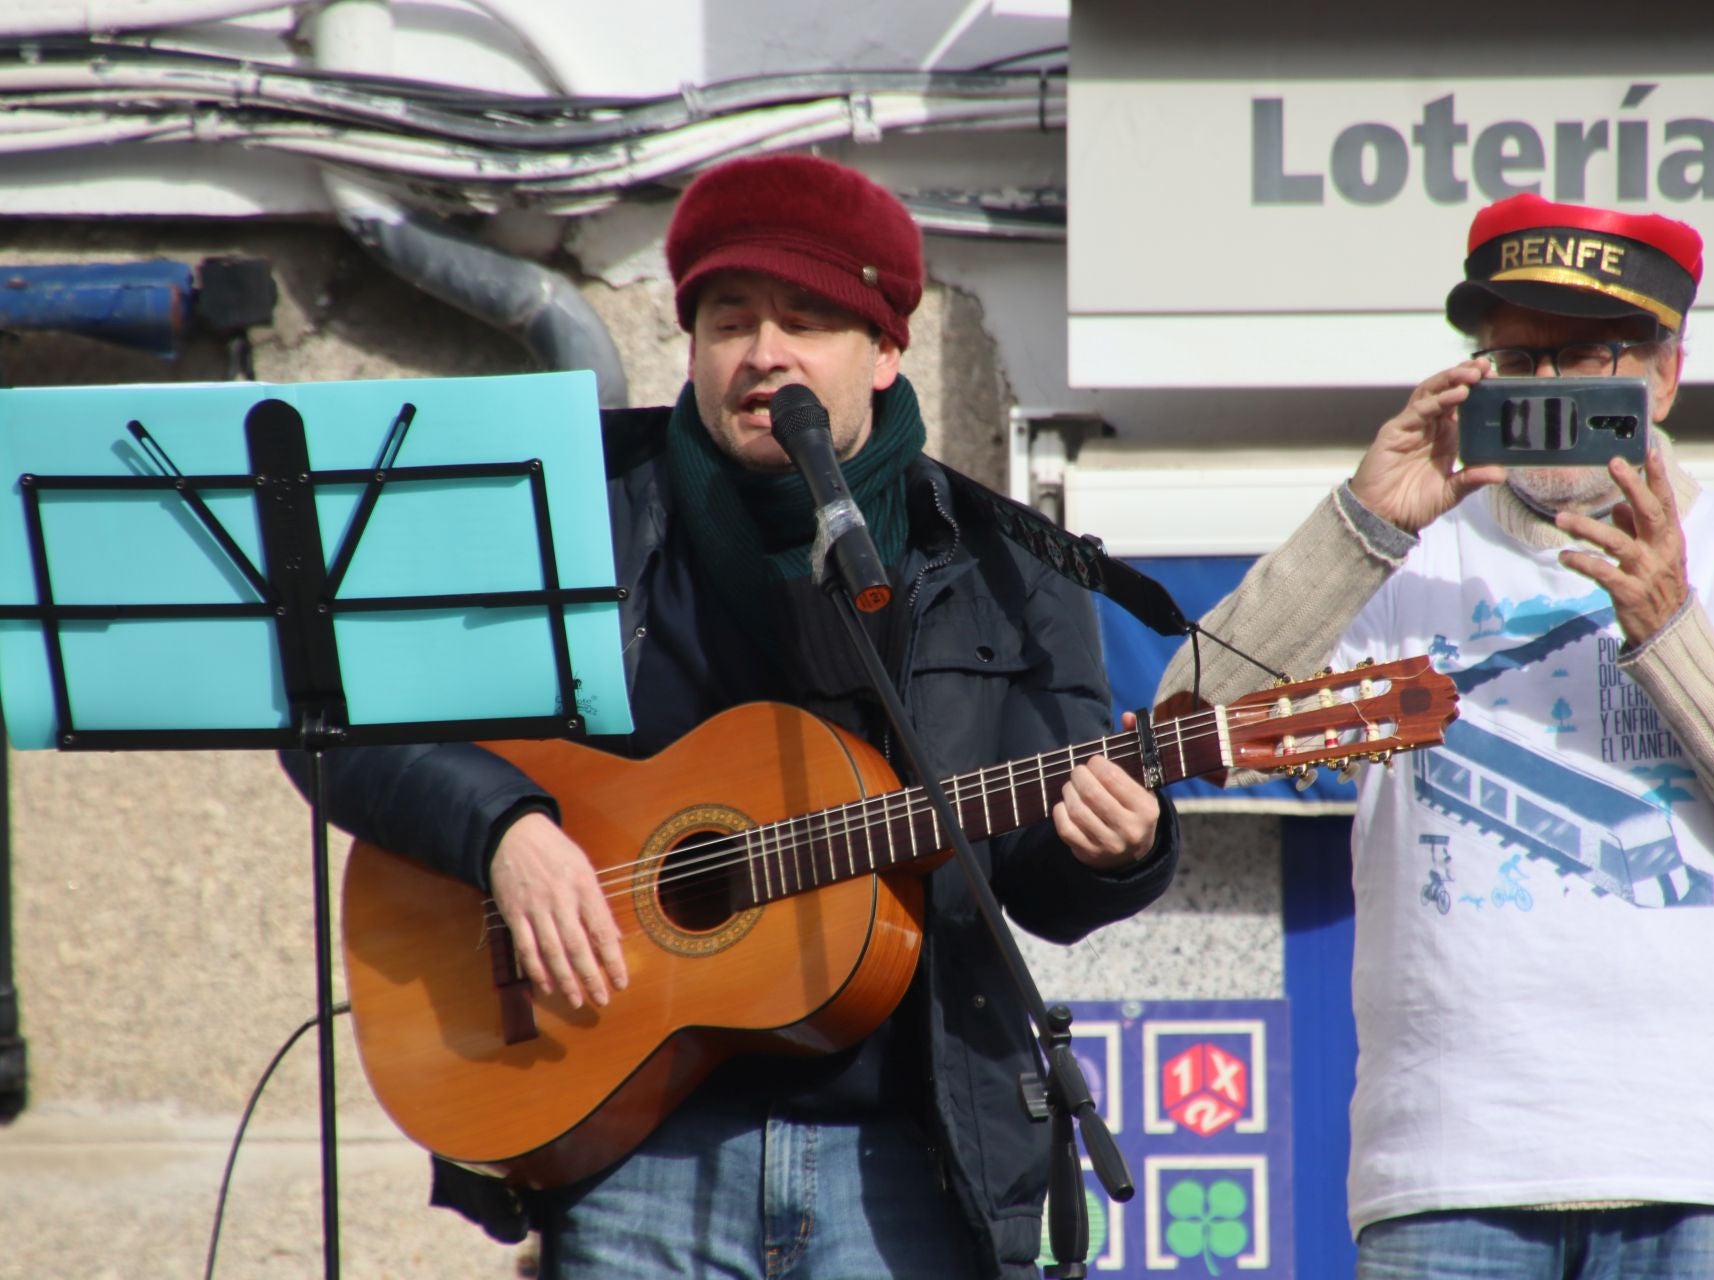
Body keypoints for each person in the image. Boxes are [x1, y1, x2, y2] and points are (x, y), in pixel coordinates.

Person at [295, 153, 1180, 1279]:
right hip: (629, 1145)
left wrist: (1116, 849)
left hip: (907, 1153)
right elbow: (332, 712)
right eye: (731, 319)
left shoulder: (1008, 564)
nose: (765, 351)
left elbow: (1031, 881)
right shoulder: (567, 509)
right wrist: (504, 828)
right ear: (695, 346)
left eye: (807, 319)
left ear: (888, 351)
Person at [1156, 193, 1714, 1278]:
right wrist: (1363, 523)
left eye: (1587, 355)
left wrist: (1672, 628)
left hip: (1711, 1157)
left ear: (1664, 370)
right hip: (1450, 1164)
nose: (1548, 390)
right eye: (1515, 358)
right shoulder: (1402, 559)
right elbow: (1185, 729)